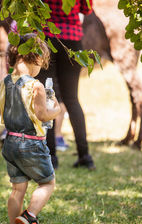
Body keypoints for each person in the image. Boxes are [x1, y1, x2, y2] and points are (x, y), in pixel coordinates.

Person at [0, 34, 60, 224]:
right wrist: (57, 110)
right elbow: (43, 115)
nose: (39, 71)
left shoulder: (3, 84)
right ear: (35, 59)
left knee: (17, 188)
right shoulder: (36, 86)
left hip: (10, 143)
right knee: (47, 184)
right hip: (32, 144)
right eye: (40, 65)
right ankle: (30, 215)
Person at [36, 0, 95, 170]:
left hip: (48, 36)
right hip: (73, 39)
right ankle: (85, 156)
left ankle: (51, 157)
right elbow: (87, 9)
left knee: (48, 96)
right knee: (72, 98)